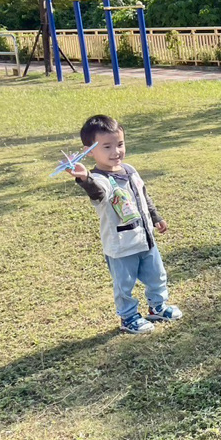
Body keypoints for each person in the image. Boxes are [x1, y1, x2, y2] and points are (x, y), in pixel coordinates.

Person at [65, 115, 182, 334]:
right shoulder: (99, 179)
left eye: (120, 144)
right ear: (89, 151)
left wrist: (156, 217)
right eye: (107, 147)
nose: (116, 151)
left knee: (157, 275)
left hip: (145, 238)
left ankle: (157, 306)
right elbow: (97, 193)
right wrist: (84, 179)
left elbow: (143, 195)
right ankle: (128, 317)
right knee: (124, 284)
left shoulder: (130, 170)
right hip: (121, 245)